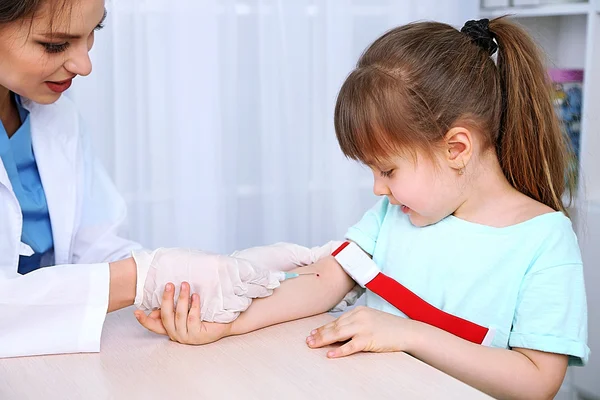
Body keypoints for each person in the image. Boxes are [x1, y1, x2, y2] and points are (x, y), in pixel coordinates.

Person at [137, 18, 590, 400]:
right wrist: (227, 324)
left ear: (456, 148)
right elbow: (324, 279)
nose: (377, 188)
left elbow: (537, 381)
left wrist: (408, 334)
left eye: (388, 170)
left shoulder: (543, 241)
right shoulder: (396, 216)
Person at [0, 0, 281, 359]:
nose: (84, 65)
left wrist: (181, 279)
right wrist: (140, 277)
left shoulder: (56, 118)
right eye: (54, 45)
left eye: (92, 33)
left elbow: (94, 245)